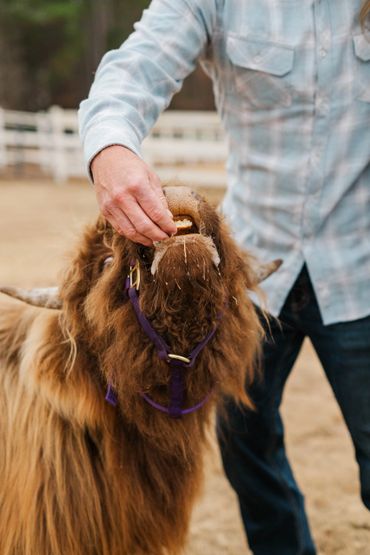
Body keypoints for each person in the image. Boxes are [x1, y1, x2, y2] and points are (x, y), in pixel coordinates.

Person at [79, 1, 370, 553]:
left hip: (363, 271)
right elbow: (135, 68)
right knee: (246, 447)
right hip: (246, 283)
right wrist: (110, 148)